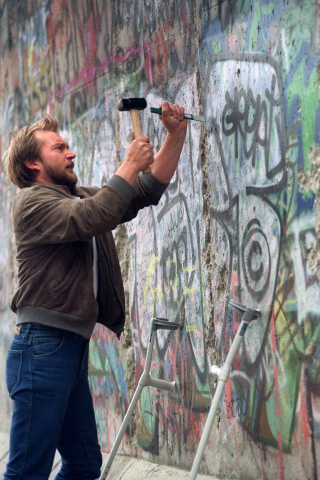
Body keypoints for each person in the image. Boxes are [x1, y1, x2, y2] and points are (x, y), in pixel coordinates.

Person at [3, 102, 187, 480]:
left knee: (84, 465)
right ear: (32, 165)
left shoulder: (74, 196)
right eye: (59, 148)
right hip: (41, 350)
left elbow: (142, 193)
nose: (71, 153)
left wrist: (175, 134)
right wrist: (130, 163)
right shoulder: (30, 203)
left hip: (68, 349)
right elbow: (94, 216)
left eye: (68, 145)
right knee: (26, 472)